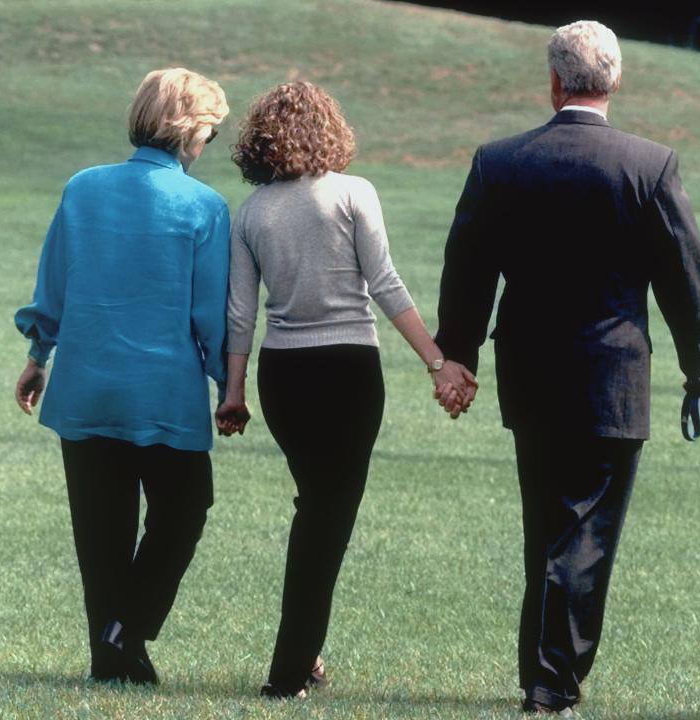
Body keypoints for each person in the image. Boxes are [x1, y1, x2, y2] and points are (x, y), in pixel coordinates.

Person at [434, 21, 700, 715]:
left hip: (528, 374)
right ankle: (552, 681)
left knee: (547, 528)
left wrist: (459, 357)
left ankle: (542, 671)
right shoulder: (649, 165)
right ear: (614, 80)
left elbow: (465, 269)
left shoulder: (499, 161)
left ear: (555, 80)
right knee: (586, 535)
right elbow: (686, 278)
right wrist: (697, 364)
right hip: (613, 376)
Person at [215, 81, 475, 699]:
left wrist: (233, 392)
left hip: (284, 377)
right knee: (326, 518)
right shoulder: (354, 193)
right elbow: (384, 283)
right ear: (329, 130)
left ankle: (304, 659)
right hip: (349, 372)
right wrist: (438, 362)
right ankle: (288, 673)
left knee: (318, 507)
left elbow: (240, 314)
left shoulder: (250, 213)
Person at [13, 68, 231, 684]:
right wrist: (227, 385)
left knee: (100, 533)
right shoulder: (206, 206)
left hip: (84, 386)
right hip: (163, 394)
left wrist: (37, 358)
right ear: (191, 132)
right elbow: (209, 314)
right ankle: (124, 629)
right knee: (185, 510)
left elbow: (54, 284)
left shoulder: (83, 189)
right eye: (209, 133)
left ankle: (110, 656)